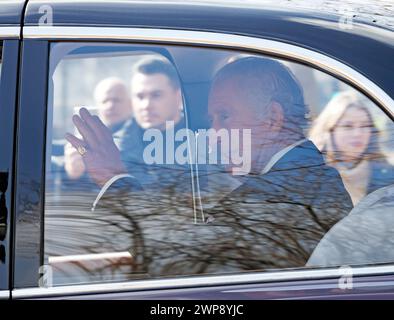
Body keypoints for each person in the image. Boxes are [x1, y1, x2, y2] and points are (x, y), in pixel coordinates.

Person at [65, 56, 354, 275]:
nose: (213, 134)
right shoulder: (298, 177)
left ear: (273, 118)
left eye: (224, 116)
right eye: (213, 119)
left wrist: (114, 178)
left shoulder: (283, 191)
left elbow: (179, 258)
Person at [309, 90, 394, 205]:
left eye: (365, 126)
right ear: (330, 130)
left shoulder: (388, 175)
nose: (357, 133)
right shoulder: (309, 174)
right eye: (348, 126)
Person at [64, 77, 133, 181]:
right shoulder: (83, 140)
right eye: (105, 101)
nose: (110, 106)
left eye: (116, 100)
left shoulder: (141, 136)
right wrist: (72, 174)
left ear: (130, 104)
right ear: (97, 106)